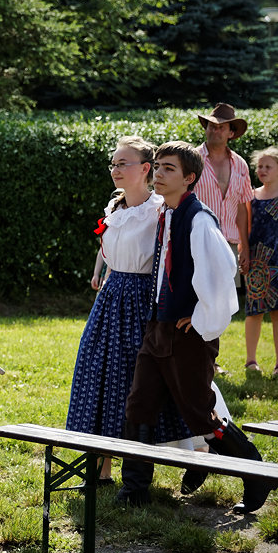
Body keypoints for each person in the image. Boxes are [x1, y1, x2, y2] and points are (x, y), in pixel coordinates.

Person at [116, 141, 273, 513]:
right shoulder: (166, 214)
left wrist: (201, 319)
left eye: (169, 169)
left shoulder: (198, 218)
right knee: (139, 406)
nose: (159, 173)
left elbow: (222, 273)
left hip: (187, 335)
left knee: (199, 412)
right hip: (157, 328)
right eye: (158, 167)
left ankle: (254, 470)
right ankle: (134, 489)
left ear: (189, 178)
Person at [66, 137, 192, 483]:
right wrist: (99, 269)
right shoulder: (115, 208)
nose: (116, 170)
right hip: (110, 298)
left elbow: (173, 260)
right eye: (114, 164)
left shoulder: (159, 211)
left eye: (124, 163)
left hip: (141, 300)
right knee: (99, 374)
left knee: (132, 380)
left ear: (145, 169)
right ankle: (101, 467)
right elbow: (108, 244)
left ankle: (188, 455)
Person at [193, 104, 252, 374]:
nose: (215, 130)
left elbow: (242, 207)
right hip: (194, 239)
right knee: (193, 298)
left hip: (226, 243)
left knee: (219, 303)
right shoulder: (191, 159)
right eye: (211, 125)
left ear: (231, 132)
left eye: (221, 126)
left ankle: (210, 360)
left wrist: (244, 247)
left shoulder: (240, 164)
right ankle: (193, 356)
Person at [243, 147, 278, 375]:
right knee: (254, 311)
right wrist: (243, 251)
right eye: (259, 166)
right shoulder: (251, 195)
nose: (262, 170)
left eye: (268, 166)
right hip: (256, 261)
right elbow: (244, 227)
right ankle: (251, 361)